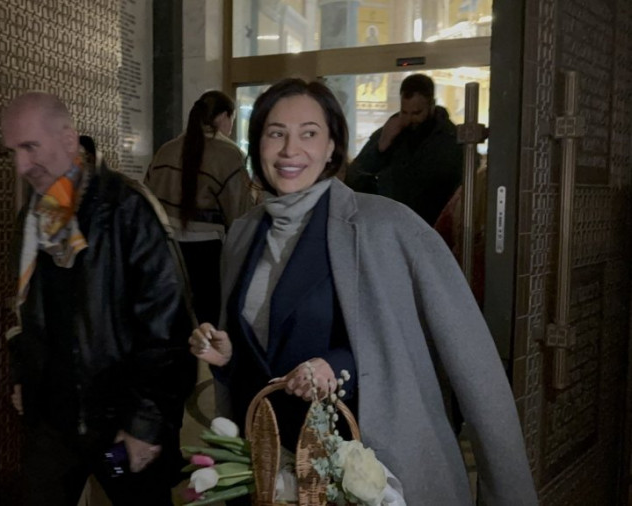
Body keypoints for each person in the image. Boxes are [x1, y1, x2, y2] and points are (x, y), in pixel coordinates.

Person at [189, 78, 537, 505]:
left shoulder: (388, 227)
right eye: (276, 133)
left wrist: (337, 367)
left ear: (332, 146)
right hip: (270, 474)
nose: (290, 149)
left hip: (362, 475)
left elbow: (469, 362)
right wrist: (229, 359)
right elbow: (264, 356)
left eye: (309, 133)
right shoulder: (244, 234)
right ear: (257, 143)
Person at [1, 92, 195, 506]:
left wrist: (145, 422)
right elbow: (22, 309)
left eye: (30, 147)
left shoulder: (127, 208)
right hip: (53, 422)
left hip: (121, 422)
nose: (20, 165)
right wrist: (23, 375)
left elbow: (168, 325)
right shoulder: (34, 216)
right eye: (12, 151)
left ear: (69, 139)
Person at [145, 90, 253, 325]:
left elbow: (147, 199)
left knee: (174, 324)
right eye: (232, 120)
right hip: (208, 255)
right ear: (224, 116)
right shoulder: (230, 154)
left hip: (165, 250)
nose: (231, 128)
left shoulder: (165, 150)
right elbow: (240, 215)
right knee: (208, 327)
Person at [347, 73, 463, 225]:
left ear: (432, 106)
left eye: (417, 113)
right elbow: (354, 177)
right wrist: (381, 147)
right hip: (390, 224)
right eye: (404, 112)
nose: (409, 120)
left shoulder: (451, 140)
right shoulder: (390, 132)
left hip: (431, 226)